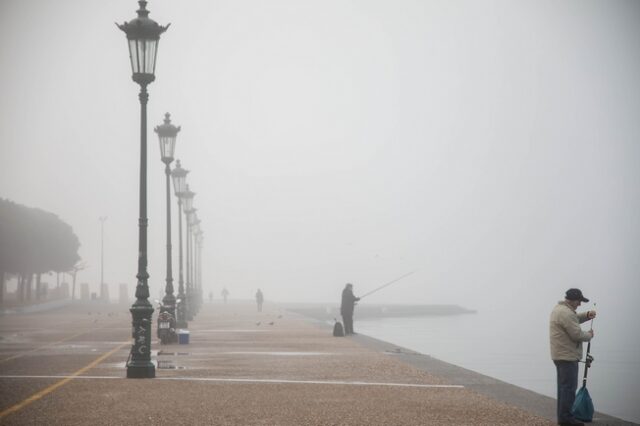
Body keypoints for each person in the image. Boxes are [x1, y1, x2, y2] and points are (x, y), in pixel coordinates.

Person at [549, 288, 596, 426]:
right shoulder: (566, 313)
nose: (580, 304)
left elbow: (573, 320)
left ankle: (563, 418)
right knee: (568, 389)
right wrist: (589, 335)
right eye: (579, 301)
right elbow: (577, 334)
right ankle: (566, 419)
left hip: (560, 356)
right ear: (572, 300)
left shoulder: (561, 310)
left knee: (563, 389)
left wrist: (587, 315)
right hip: (567, 357)